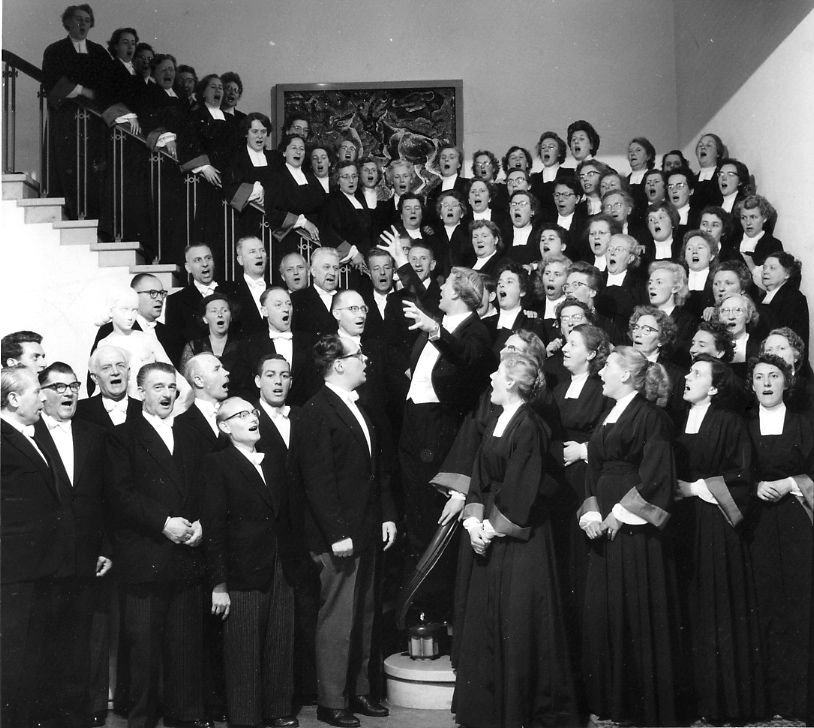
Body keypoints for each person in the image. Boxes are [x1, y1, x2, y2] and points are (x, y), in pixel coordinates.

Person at [453, 351, 577, 728]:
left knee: (518, 622)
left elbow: (523, 487)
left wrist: (489, 529)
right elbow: (479, 477)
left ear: (510, 382)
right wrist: (474, 524)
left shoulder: (531, 425)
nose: (490, 377)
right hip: (488, 533)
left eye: (496, 372)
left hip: (519, 540)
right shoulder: (495, 419)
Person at [104, 362, 211, 728]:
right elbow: (120, 496)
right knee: (144, 650)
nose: (166, 394)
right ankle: (142, 720)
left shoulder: (193, 436)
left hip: (186, 554)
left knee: (185, 647)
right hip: (146, 555)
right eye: (158, 387)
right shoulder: (122, 436)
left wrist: (200, 525)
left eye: (171, 388)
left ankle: (187, 717)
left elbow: (205, 489)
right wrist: (164, 523)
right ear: (140, 393)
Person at [299, 335, 397, 728]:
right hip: (339, 537)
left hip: (367, 530)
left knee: (366, 615)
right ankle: (331, 700)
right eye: (358, 355)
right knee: (338, 619)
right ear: (338, 364)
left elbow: (375, 471)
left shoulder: (359, 408)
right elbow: (318, 481)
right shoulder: (316, 411)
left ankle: (357, 692)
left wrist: (387, 514)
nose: (366, 359)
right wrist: (338, 533)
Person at [578, 346, 677, 726]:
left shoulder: (652, 418)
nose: (600, 373)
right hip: (603, 521)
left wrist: (619, 514)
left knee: (635, 606)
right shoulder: (607, 415)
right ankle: (612, 700)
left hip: (633, 529)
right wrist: (591, 513)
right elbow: (594, 471)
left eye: (606, 368)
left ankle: (641, 705)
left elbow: (656, 475)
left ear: (626, 375)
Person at [672, 355, 765, 724]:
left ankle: (723, 701)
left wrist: (695, 488)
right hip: (682, 523)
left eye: (697, 373)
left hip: (715, 524)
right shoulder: (677, 419)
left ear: (713, 387)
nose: (688, 377)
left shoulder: (728, 421)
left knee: (715, 607)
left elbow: (742, 475)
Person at [200, 396, 298, 728]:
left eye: (252, 412)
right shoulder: (217, 464)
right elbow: (213, 528)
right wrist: (219, 584)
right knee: (243, 649)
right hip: (240, 573)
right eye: (241, 415)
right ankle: (245, 717)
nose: (252, 418)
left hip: (279, 567)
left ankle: (278, 709)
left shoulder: (271, 462)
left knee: (280, 641)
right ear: (225, 426)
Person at [398, 267, 494, 569]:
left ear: (457, 292)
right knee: (412, 502)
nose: (439, 288)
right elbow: (423, 295)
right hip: (414, 417)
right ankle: (416, 584)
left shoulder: (475, 330)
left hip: (439, 423)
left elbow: (465, 354)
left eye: (445, 285)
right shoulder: (440, 319)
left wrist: (434, 332)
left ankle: (433, 593)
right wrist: (403, 262)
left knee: (430, 507)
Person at [33, 362, 112, 728]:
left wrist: (107, 548)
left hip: (86, 558)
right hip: (42, 560)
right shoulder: (27, 434)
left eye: (73, 386)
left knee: (81, 641)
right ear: (41, 392)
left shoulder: (94, 434)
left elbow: (108, 498)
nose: (68, 393)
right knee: (44, 640)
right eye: (59, 386)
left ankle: (75, 715)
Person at [1, 366, 70, 728]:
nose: (44, 398)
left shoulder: (29, 435)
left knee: (32, 662)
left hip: (40, 568)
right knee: (11, 664)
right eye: (36, 393)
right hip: (13, 573)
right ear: (13, 399)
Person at [746, 354, 813, 722]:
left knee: (798, 606)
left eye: (774, 376)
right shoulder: (741, 424)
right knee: (763, 605)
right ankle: (769, 701)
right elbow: (734, 472)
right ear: (751, 384)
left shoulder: (805, 424)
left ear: (787, 381)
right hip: (756, 523)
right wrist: (753, 485)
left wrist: (791, 483)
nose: (767, 383)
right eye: (759, 377)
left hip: (797, 521)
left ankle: (800, 700)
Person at [234, 287, 321, 407]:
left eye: (289, 304)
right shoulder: (248, 346)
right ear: (264, 311)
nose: (286, 309)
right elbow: (242, 387)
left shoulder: (312, 342)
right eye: (278, 305)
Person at [90, 273, 180, 373]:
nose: (159, 299)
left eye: (161, 293)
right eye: (153, 293)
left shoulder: (169, 332)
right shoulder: (108, 330)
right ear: (134, 294)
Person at [265, 134, 325, 258]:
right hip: (290, 241)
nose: (298, 152)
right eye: (293, 148)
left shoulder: (311, 178)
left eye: (301, 149)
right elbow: (273, 212)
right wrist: (302, 222)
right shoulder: (277, 178)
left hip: (315, 242)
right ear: (284, 152)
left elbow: (323, 208)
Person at [223, 112, 277, 241]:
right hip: (245, 221)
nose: (259, 136)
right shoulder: (237, 159)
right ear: (246, 133)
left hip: (273, 223)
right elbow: (230, 189)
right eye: (255, 131)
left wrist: (267, 193)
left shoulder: (275, 159)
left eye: (263, 132)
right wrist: (255, 190)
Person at [165, 244, 226, 348]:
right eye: (198, 260)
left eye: (208, 258)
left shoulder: (231, 291)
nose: (205, 264)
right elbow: (174, 344)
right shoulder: (176, 300)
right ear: (188, 268)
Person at [179, 293, 242, 381]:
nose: (220, 314)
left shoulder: (242, 346)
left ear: (231, 317)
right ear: (205, 319)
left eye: (224, 311)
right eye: (214, 311)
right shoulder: (193, 347)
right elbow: (185, 381)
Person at [76, 344, 142, 428]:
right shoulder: (79, 411)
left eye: (120, 366)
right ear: (95, 378)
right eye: (106, 368)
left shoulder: (145, 409)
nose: (115, 372)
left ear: (128, 373)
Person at [760, 252, 809, 353]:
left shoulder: (794, 298)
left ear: (787, 274)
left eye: (772, 268)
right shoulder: (759, 298)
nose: (765, 272)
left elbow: (792, 338)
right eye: (764, 268)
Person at [290, 247, 342, 336]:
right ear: (313, 271)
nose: (332, 273)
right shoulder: (296, 299)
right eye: (326, 267)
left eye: (336, 268)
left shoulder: (346, 297)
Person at [229, 236, 270, 337]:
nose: (259, 255)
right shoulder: (228, 292)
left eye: (262, 251)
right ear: (240, 260)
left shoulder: (277, 290)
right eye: (252, 252)